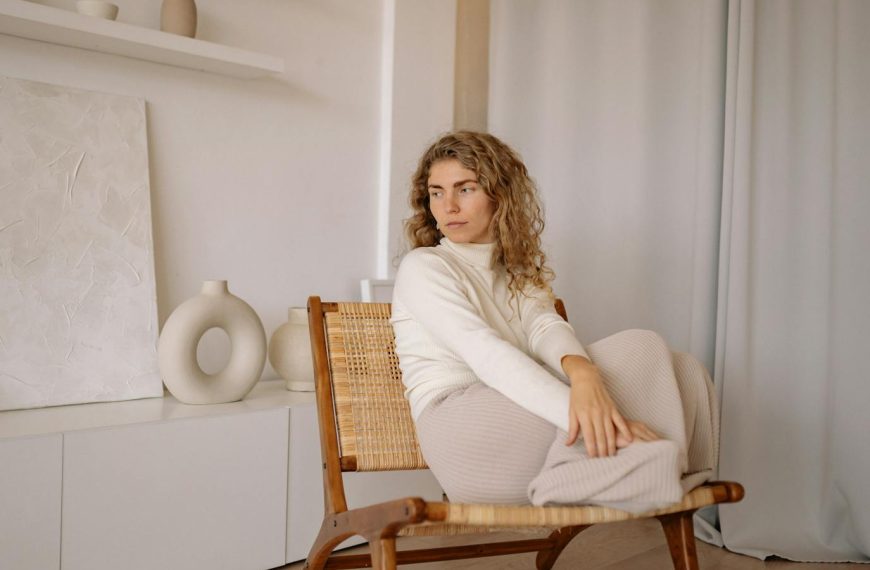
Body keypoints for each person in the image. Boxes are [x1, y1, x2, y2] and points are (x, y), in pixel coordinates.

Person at [390, 131, 718, 512]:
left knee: (685, 368)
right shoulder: (425, 267)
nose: (448, 206)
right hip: (464, 433)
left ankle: (654, 469)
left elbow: (546, 326)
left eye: (465, 189)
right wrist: (599, 417)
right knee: (639, 348)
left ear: (500, 195)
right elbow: (487, 356)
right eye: (436, 192)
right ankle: (613, 467)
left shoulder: (515, 269)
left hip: (516, 412)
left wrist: (584, 374)